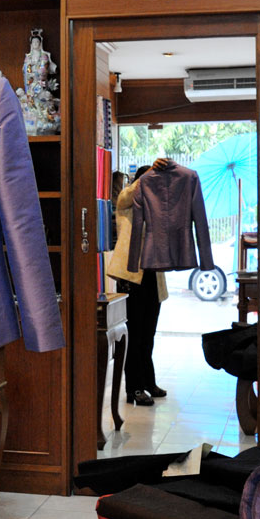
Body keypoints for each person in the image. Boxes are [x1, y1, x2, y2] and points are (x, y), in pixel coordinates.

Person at [106, 160, 171, 407]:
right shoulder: (126, 204)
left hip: (153, 277)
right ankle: (133, 388)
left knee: (148, 335)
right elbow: (127, 193)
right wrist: (150, 174)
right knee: (135, 335)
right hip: (132, 277)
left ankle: (148, 381)